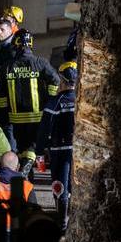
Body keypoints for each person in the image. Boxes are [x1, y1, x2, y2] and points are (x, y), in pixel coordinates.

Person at [0, 30, 60, 168]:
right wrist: (50, 100)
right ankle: (28, 167)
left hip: (15, 119)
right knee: (33, 146)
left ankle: (24, 179)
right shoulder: (40, 63)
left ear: (15, 44)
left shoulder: (7, 67)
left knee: (20, 148)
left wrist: (3, 114)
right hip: (36, 117)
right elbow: (55, 81)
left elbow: (1, 94)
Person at [36, 62, 77, 231]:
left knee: (60, 186)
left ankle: (62, 222)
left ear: (62, 81)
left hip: (59, 150)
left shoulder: (56, 102)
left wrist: (39, 151)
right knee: (75, 186)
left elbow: (45, 128)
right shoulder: (81, 99)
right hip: (77, 150)